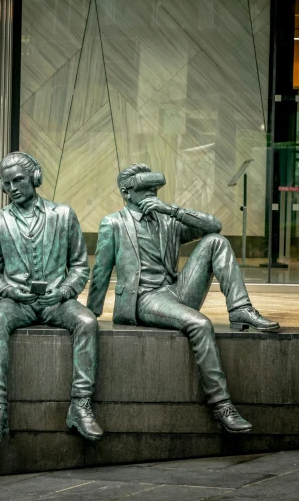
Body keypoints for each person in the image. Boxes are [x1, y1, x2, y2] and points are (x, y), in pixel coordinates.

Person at [87, 164, 280, 433]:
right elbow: (101, 272)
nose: (151, 195)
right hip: (144, 298)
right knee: (200, 324)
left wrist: (172, 210)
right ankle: (222, 405)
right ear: (126, 192)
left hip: (176, 291)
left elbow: (214, 225)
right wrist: (91, 313)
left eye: (154, 190)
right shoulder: (114, 223)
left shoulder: (167, 220)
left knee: (216, 241)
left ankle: (240, 308)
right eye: (144, 190)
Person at [0, 152, 103, 448]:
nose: (13, 188)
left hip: (57, 300)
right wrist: (8, 291)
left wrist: (63, 292)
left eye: (19, 180)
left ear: (35, 177)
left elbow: (79, 266)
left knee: (86, 321)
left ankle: (80, 405)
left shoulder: (63, 215)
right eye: (7, 184)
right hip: (17, 302)